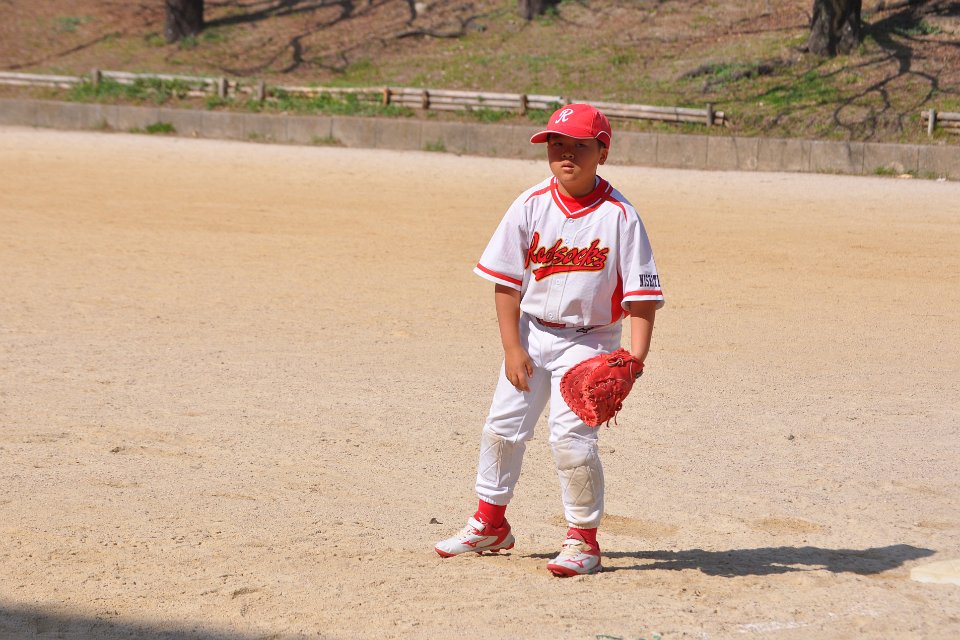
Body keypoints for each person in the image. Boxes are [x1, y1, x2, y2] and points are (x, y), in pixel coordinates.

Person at [434, 103, 665, 576]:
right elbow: (505, 283)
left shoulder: (621, 216)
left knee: (571, 441)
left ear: (602, 152)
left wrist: (634, 360)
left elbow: (642, 297)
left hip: (591, 343)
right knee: (502, 427)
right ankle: (490, 523)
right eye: (557, 144)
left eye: (580, 145)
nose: (566, 154)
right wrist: (512, 347)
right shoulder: (530, 203)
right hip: (532, 333)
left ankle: (583, 541)